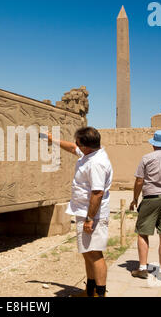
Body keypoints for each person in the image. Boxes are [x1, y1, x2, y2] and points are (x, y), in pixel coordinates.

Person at [46, 127, 113, 297]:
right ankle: (90, 291)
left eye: (78, 143)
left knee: (95, 254)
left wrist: (90, 219)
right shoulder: (89, 153)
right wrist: (52, 140)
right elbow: (71, 147)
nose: (76, 146)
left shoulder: (96, 163)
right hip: (84, 211)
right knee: (87, 252)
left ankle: (100, 293)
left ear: (86, 146)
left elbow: (97, 193)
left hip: (92, 214)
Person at [129, 130, 161, 281]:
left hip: (150, 198)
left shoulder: (146, 158)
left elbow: (139, 180)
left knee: (143, 232)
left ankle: (143, 268)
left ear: (153, 144)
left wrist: (135, 198)